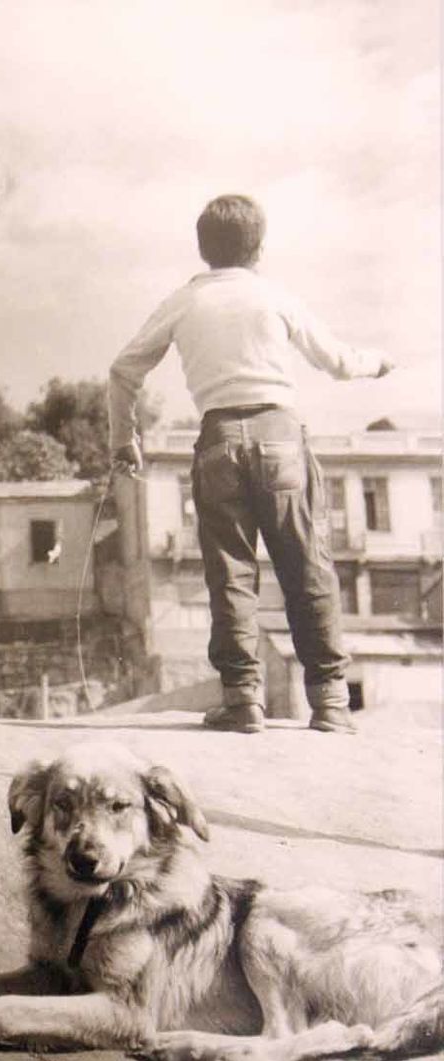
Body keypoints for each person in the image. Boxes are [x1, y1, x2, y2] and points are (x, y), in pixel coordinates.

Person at [107, 193, 393, 735]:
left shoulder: (184, 301)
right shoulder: (275, 296)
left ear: (202, 249)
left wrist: (126, 439)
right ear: (259, 248)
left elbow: (123, 370)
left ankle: (242, 701)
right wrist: (377, 363)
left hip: (218, 439)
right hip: (280, 435)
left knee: (231, 574)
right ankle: (331, 702)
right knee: (306, 566)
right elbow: (337, 361)